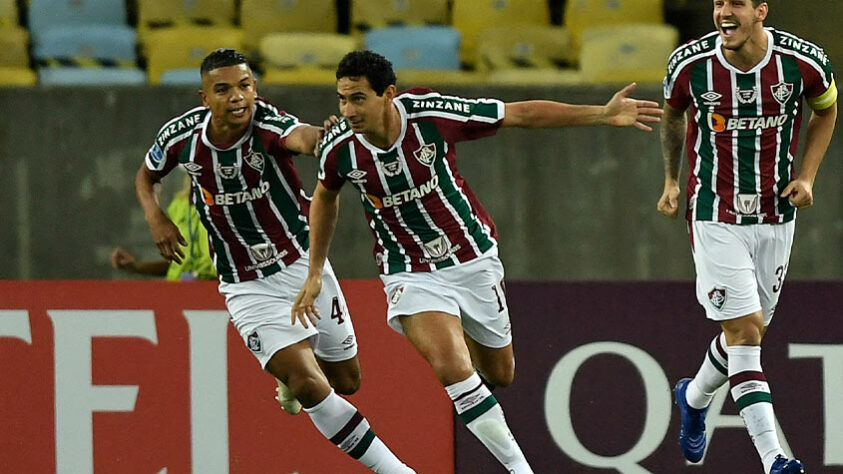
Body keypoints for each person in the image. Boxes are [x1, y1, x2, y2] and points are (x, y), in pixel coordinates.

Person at [292, 50, 663, 473]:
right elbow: (325, 196)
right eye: (342, 99)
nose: (348, 110)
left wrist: (599, 114)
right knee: (452, 367)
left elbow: (519, 114)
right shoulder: (340, 147)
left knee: (500, 373)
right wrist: (316, 269)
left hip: (471, 257)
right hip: (409, 270)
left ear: (388, 95)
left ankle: (461, 335)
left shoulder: (430, 115)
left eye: (358, 99)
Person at [135, 48, 414, 473]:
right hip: (245, 284)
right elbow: (146, 175)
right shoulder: (182, 137)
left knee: (346, 382)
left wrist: (326, 137)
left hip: (301, 266)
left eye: (245, 86)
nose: (238, 97)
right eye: (223, 89)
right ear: (204, 98)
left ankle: (287, 372)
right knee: (309, 383)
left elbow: (301, 136)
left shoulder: (267, 125)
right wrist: (156, 218)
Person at [659, 1, 837, 472]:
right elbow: (672, 115)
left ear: (761, 10)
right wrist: (672, 181)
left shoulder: (804, 62)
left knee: (750, 330)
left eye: (736, 3)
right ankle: (774, 459)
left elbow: (826, 110)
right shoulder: (690, 64)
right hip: (713, 213)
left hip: (776, 215)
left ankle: (694, 398)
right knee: (743, 332)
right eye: (718, 2)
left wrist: (809, 176)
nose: (723, 12)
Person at [112, 176, 217, 281]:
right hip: (178, 289)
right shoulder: (179, 205)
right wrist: (137, 266)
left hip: (217, 289)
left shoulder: (227, 207)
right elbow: (175, 263)